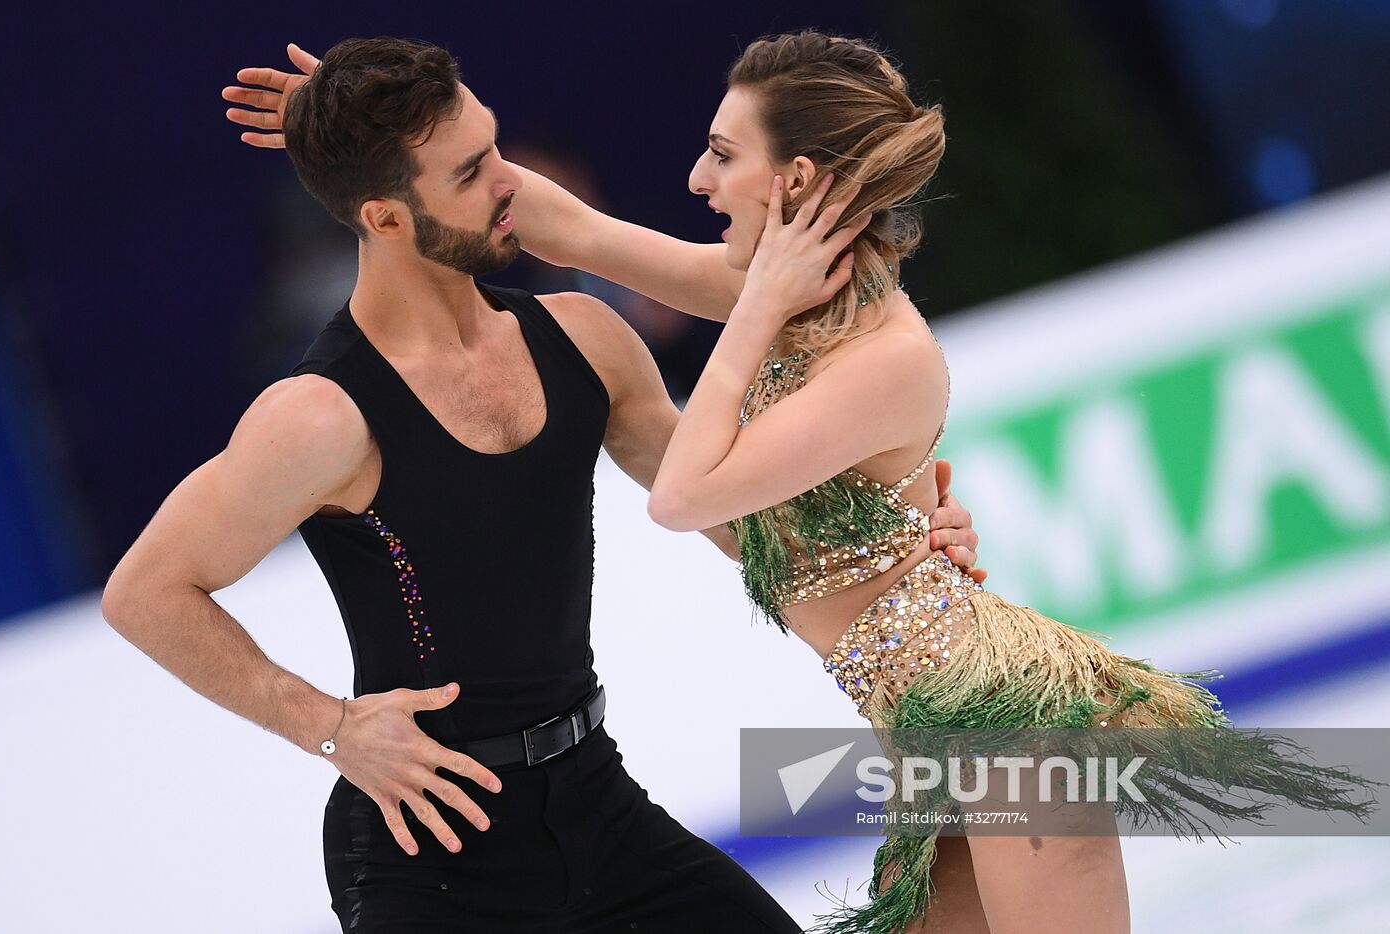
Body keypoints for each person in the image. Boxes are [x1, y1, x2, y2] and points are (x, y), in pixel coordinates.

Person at [226, 30, 1380, 934]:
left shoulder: (881, 352)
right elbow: (564, 227)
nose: (693, 175)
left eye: (723, 156)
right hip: (941, 741)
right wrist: (361, 126)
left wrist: (754, 306)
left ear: (800, 178)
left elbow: (683, 493)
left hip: (1013, 737)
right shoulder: (787, 293)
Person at [106, 35, 991, 933]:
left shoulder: (583, 340)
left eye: (495, 149)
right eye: (469, 173)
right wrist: (328, 725)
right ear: (384, 219)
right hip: (429, 858)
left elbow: (748, 524)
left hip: (596, 807)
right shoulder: (322, 415)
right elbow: (147, 592)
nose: (508, 184)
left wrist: (900, 536)